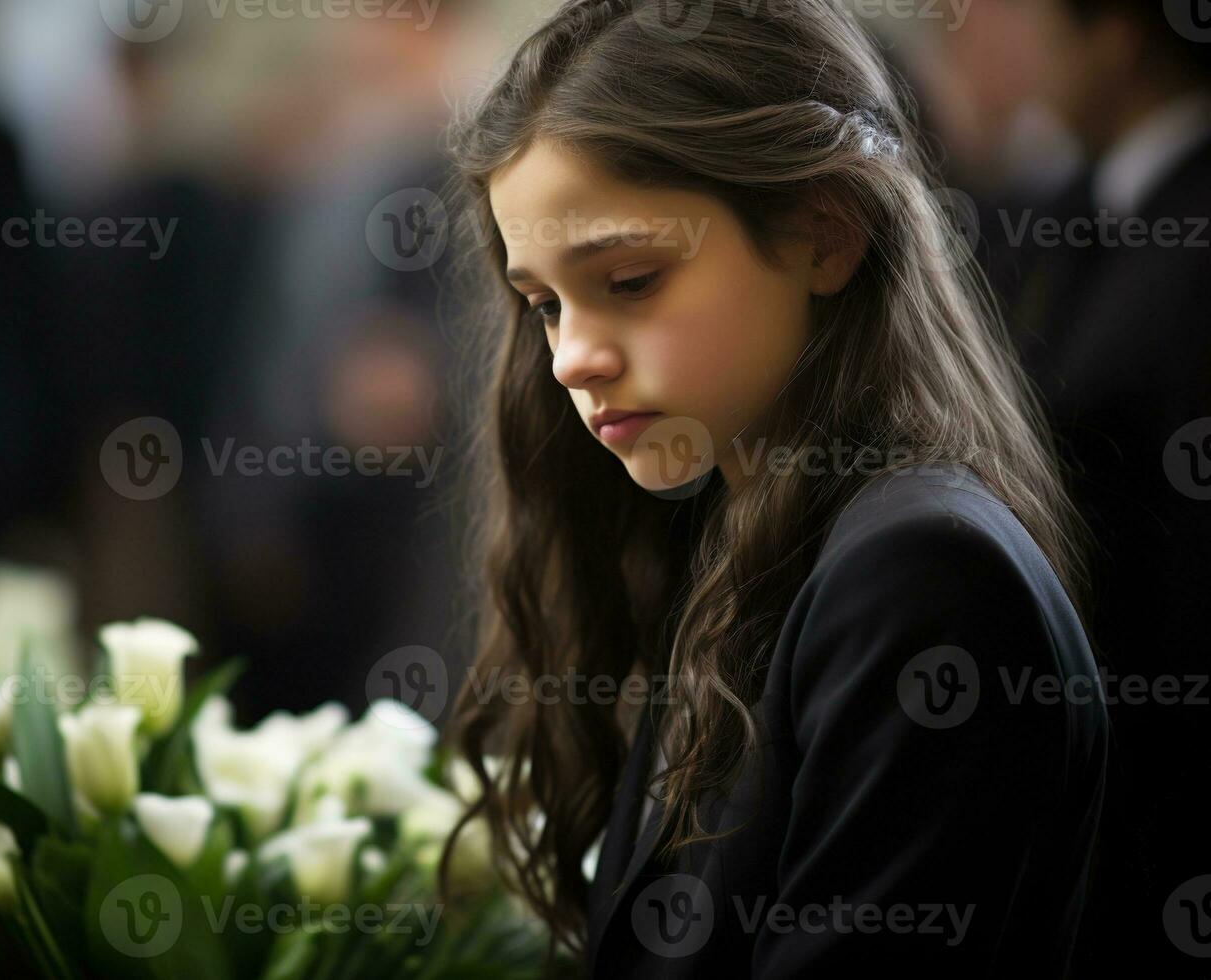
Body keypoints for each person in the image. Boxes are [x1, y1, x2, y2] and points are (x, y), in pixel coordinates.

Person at [433, 0, 1109, 975]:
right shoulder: (739, 536)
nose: (570, 358)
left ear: (823, 237)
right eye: (542, 304)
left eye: (629, 279)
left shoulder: (918, 571)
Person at [1000, 2, 1211, 972]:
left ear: (1117, 35)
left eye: (1043, 22)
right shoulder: (1068, 206)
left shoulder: (1187, 248)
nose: (1016, 50)